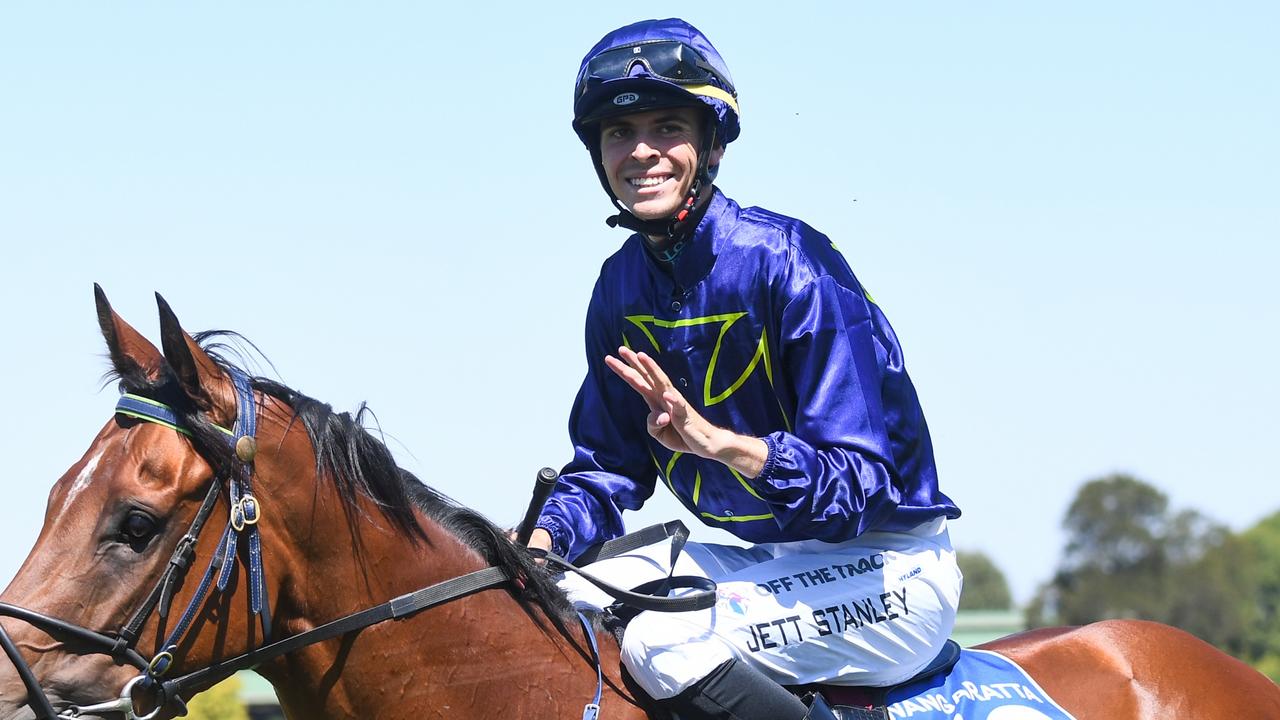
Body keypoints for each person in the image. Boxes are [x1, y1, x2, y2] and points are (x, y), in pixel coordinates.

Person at [526, 18, 963, 720]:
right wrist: (536, 544)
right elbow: (605, 468)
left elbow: (861, 486)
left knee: (662, 641)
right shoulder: (617, 290)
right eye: (617, 132)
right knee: (561, 601)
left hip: (892, 572)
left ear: (714, 142)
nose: (641, 151)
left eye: (667, 126)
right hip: (778, 566)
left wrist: (720, 445)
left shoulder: (794, 264)